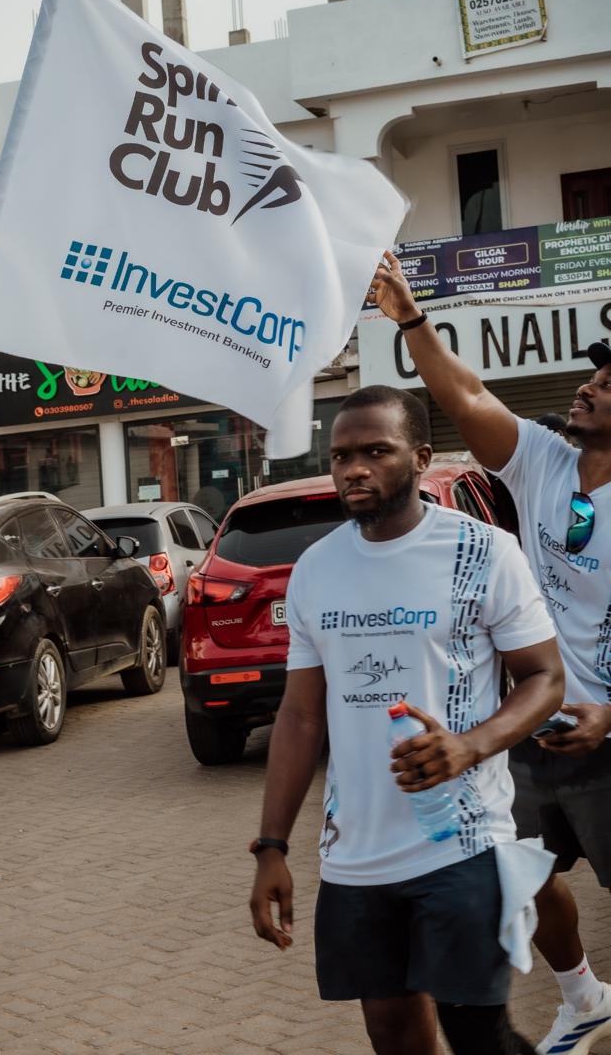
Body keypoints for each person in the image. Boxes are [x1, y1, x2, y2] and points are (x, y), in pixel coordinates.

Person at [248, 385, 564, 1055]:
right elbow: (300, 716)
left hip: (462, 841)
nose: (354, 469)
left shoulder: (483, 551)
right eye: (341, 456)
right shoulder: (317, 568)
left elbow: (545, 678)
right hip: (355, 856)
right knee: (391, 1032)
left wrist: (469, 747)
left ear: (420, 458)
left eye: (376, 452)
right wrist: (271, 845)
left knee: (477, 1034)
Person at [368, 250, 611, 1054]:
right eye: (592, 377)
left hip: (608, 737)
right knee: (524, 871)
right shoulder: (543, 459)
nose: (588, 387)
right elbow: (466, 395)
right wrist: (411, 317)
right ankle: (584, 998)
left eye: (608, 385)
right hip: (535, 721)